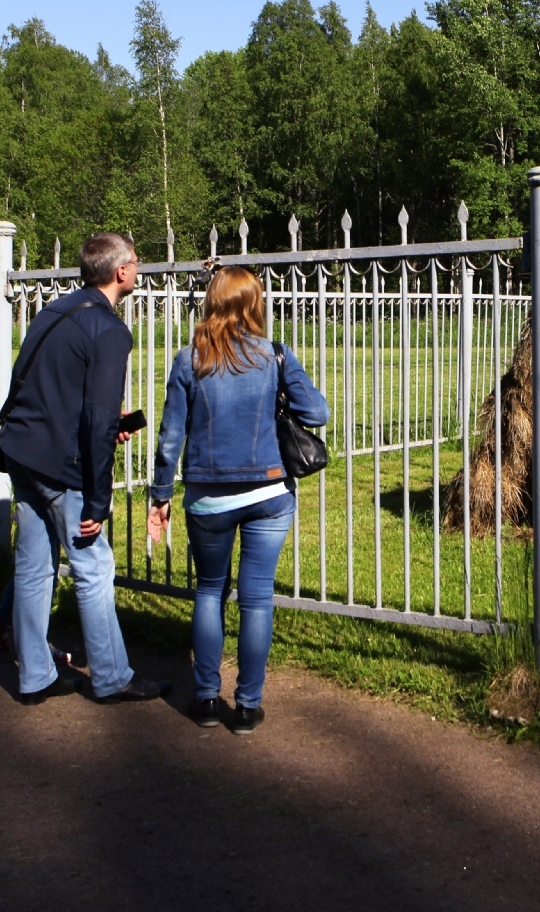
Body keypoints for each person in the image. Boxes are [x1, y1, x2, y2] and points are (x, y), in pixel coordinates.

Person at [0, 232, 170, 705]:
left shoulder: (55, 312)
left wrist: (106, 424)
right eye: (135, 260)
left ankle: (35, 677)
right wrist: (98, 497)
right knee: (93, 564)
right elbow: (95, 419)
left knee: (33, 566)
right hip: (59, 464)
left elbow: (53, 389)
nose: (138, 267)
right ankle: (111, 677)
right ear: (121, 272)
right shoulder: (109, 330)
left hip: (23, 454)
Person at [148, 266, 327, 734]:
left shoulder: (189, 360)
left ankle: (206, 699)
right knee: (256, 598)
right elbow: (318, 412)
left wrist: (160, 495)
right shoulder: (275, 356)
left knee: (209, 590)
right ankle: (247, 707)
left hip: (208, 499)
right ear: (254, 304)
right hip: (269, 491)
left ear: (212, 301)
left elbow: (170, 438)